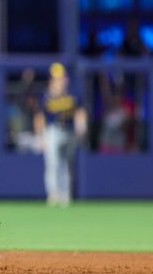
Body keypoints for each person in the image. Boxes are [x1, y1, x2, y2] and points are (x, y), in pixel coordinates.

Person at [34, 63, 87, 207]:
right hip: (53, 130)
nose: (60, 80)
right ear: (51, 79)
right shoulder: (46, 96)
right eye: (57, 78)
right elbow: (40, 117)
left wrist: (81, 127)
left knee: (68, 164)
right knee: (53, 164)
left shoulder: (72, 94)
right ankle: (53, 194)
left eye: (62, 77)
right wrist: (40, 137)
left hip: (69, 131)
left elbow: (80, 112)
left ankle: (65, 194)